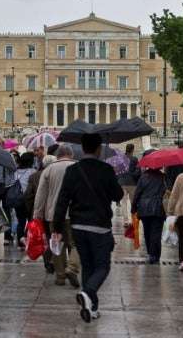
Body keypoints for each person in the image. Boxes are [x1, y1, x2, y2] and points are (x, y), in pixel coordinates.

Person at [53, 133, 124, 323]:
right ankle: (88, 292)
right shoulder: (106, 169)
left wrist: (57, 227)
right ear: (99, 148)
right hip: (99, 226)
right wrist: (112, 179)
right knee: (102, 266)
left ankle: (91, 307)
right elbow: (118, 195)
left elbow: (62, 200)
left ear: (83, 148)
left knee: (88, 265)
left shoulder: (73, 171)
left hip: (78, 225)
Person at [34, 144, 79, 287]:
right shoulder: (79, 167)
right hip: (75, 213)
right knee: (76, 243)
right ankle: (72, 267)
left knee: (57, 244)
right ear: (71, 154)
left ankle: (60, 277)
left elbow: (41, 194)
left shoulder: (49, 169)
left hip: (53, 214)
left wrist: (37, 214)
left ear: (58, 155)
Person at [25, 154, 56, 274]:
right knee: (55, 235)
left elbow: (28, 195)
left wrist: (30, 212)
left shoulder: (34, 176)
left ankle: (47, 262)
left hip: (39, 211)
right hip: (53, 211)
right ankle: (55, 260)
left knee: (45, 236)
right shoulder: (57, 175)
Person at [131, 166, 166, 264]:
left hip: (144, 208)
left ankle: (151, 254)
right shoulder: (163, 177)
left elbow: (137, 193)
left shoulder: (143, 177)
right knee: (156, 233)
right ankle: (155, 255)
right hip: (158, 208)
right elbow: (165, 192)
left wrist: (133, 207)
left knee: (147, 232)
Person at [14, 152, 36, 250]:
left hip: (17, 199)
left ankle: (20, 241)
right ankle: (26, 238)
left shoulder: (16, 171)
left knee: (20, 221)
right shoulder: (32, 171)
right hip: (29, 200)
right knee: (31, 220)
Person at [117, 143, 140, 226]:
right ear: (132, 150)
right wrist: (132, 175)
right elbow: (138, 172)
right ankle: (133, 220)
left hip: (122, 183)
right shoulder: (135, 159)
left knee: (123, 202)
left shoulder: (120, 159)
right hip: (132, 183)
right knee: (133, 202)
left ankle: (126, 221)